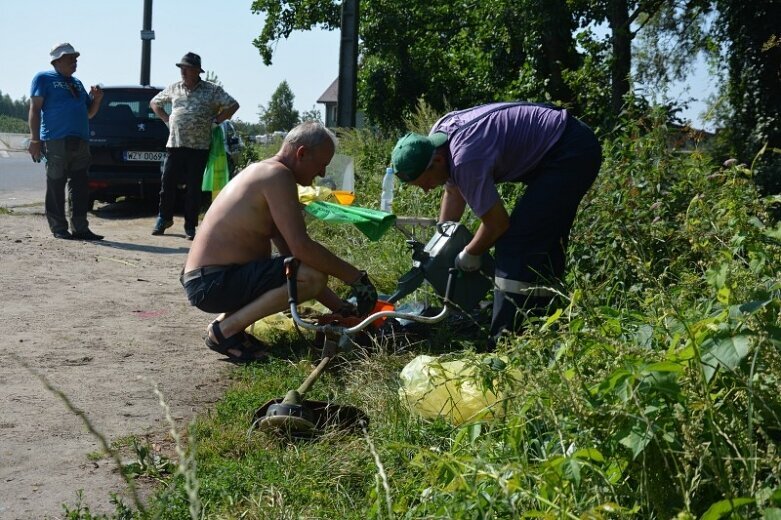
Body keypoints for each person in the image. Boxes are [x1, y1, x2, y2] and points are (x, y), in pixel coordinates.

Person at [390, 102, 601, 341]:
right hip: (557, 146)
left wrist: (470, 254)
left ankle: (505, 339)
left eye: (425, 182)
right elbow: (453, 191)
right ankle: (546, 322)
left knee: (516, 242)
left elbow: (497, 224)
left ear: (437, 162)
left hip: (570, 151)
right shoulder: (439, 140)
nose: (428, 190)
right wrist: (441, 244)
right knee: (541, 240)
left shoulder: (464, 159)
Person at [180, 121, 378, 361]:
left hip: (208, 281)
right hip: (213, 281)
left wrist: (339, 307)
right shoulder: (277, 175)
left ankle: (221, 329)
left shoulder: (264, 172)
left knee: (305, 274)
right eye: (321, 165)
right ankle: (226, 332)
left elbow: (294, 260)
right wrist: (357, 278)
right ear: (302, 153)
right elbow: (302, 247)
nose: (323, 174)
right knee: (313, 276)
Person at [150, 52, 239, 240]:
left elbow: (233, 105)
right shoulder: (174, 88)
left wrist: (216, 121)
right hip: (175, 143)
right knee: (168, 183)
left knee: (193, 187)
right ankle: (163, 218)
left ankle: (190, 226)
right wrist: (166, 119)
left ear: (197, 70)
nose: (183, 71)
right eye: (182, 68)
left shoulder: (211, 90)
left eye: (187, 68)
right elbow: (155, 102)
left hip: (199, 147)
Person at [28, 42, 104, 240]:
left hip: (80, 140)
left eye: (75, 58)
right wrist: (35, 139)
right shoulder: (43, 78)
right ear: (57, 60)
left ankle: (80, 228)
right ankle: (59, 228)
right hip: (55, 140)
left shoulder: (77, 83)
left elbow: (89, 114)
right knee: (55, 183)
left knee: (79, 185)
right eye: (70, 58)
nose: (74, 61)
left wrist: (96, 100)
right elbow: (35, 109)